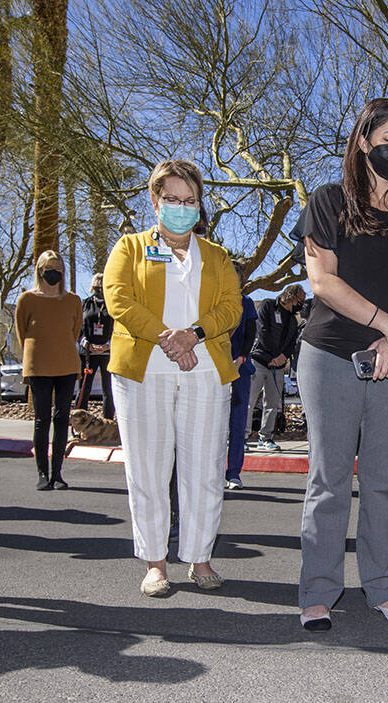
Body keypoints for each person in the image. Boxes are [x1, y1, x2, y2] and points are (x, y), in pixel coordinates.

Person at [295, 98, 388, 631]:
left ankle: (384, 587)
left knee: (383, 481)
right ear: (363, 141)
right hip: (332, 355)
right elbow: (323, 281)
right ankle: (318, 592)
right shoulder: (328, 200)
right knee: (329, 480)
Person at [104, 159, 242, 597]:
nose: (181, 208)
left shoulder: (218, 257)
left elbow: (231, 308)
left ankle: (200, 559)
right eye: (172, 200)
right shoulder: (129, 247)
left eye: (190, 201)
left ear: (200, 206)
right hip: (144, 372)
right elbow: (119, 299)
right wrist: (166, 338)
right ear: (155, 200)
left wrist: (193, 335)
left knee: (203, 470)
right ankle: (155, 563)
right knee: (148, 470)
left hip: (205, 372)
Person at [15, 251, 82, 490]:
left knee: (61, 418)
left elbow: (75, 331)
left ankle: (58, 474)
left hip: (66, 364)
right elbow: (22, 332)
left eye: (58, 267)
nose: (54, 271)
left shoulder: (73, 300)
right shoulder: (26, 299)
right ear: (40, 271)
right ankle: (42, 473)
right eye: (49, 267)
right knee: (42, 419)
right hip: (38, 365)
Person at [247, 285, 304, 451]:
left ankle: (266, 437)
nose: (300, 304)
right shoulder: (267, 305)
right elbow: (262, 331)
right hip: (259, 361)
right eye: (299, 300)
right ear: (290, 296)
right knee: (249, 401)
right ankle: (243, 436)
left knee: (272, 403)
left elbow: (292, 343)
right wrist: (273, 355)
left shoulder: (293, 320)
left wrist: (282, 357)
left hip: (278, 366)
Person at [226, 265, 257, 490]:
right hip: (214, 369)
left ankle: (233, 472)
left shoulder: (246, 303)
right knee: (212, 425)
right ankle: (211, 471)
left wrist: (242, 357)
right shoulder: (212, 299)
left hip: (239, 369)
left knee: (237, 422)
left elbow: (251, 332)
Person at [77, 272, 115, 418]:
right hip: (88, 353)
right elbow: (78, 326)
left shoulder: (111, 304)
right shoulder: (85, 303)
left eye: (102, 284)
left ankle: (108, 423)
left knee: (108, 389)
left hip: (107, 353)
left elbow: (118, 326)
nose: (99, 288)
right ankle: (79, 423)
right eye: (96, 285)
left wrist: (108, 344)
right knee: (84, 388)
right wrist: (86, 344)